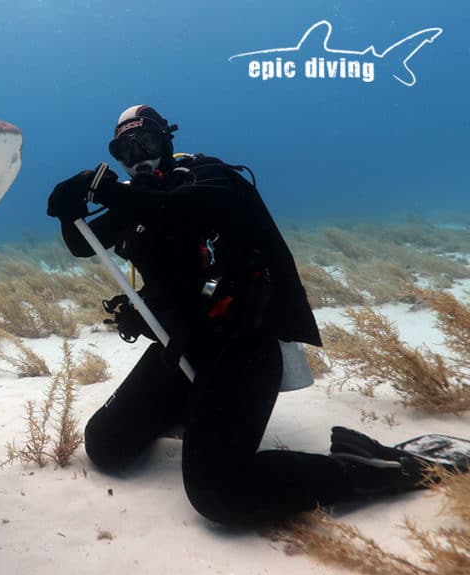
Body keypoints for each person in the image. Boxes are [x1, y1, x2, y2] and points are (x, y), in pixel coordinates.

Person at [46, 104, 454, 525]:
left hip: (244, 345)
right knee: (105, 446)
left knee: (217, 490)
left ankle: (375, 469)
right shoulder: (136, 203)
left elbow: (185, 209)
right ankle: (192, 411)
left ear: (168, 141)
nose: (138, 157)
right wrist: (67, 211)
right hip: (183, 348)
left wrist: (107, 191)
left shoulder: (210, 177)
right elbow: (85, 242)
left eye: (146, 142)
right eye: (124, 150)